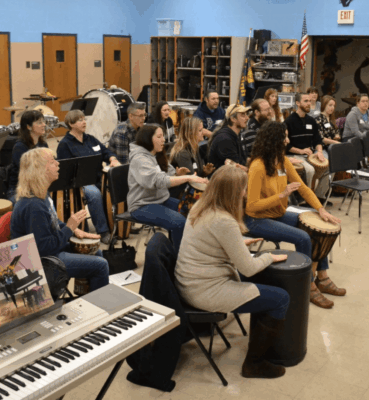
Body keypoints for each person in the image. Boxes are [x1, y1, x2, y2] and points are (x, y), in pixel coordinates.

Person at [175, 165, 290, 379]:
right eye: (243, 189)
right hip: (204, 291)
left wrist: (239, 242)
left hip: (189, 283)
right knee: (280, 299)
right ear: (234, 192)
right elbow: (248, 267)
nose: (246, 193)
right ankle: (254, 364)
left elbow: (210, 241)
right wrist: (269, 256)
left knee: (261, 279)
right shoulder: (223, 220)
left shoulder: (201, 205)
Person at [245, 121, 345, 309]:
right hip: (256, 220)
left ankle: (322, 276)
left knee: (316, 227)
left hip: (277, 214)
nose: (288, 140)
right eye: (285, 136)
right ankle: (308, 285)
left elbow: (303, 188)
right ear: (274, 140)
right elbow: (252, 205)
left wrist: (320, 209)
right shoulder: (258, 166)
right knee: (302, 237)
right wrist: (281, 195)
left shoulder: (282, 160)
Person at [10, 148, 109, 292]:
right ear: (40, 170)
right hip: (39, 262)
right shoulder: (34, 205)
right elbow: (44, 248)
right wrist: (69, 228)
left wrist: (75, 230)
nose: (58, 164)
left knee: (96, 253)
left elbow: (53, 222)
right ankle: (99, 310)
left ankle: (85, 298)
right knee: (101, 265)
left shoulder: (42, 194)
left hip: (47, 252)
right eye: (52, 162)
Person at [127, 124, 208, 253]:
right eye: (159, 137)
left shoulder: (156, 154)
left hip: (160, 199)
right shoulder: (140, 159)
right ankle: (179, 262)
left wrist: (177, 174)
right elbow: (157, 181)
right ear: (148, 139)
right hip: (142, 205)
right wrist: (187, 178)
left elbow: (167, 173)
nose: (163, 140)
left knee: (193, 212)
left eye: (163, 136)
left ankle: (189, 253)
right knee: (179, 222)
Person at [57, 110, 120, 244]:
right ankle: (103, 232)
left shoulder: (90, 139)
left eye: (84, 119)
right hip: (79, 182)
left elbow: (106, 151)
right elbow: (65, 170)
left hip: (98, 178)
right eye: (80, 120)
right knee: (94, 194)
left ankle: (119, 226)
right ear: (70, 124)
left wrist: (112, 158)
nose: (84, 122)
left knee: (116, 185)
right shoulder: (65, 144)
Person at [285, 92, 329, 201]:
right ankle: (306, 199)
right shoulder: (289, 121)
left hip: (310, 154)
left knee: (328, 166)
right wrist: (301, 151)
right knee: (310, 170)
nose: (309, 103)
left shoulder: (311, 120)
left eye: (309, 101)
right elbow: (286, 146)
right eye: (306, 101)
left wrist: (319, 151)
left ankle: (319, 196)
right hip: (295, 155)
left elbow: (317, 139)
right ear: (297, 103)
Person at [7, 110, 49, 204]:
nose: (44, 125)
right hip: (19, 189)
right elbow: (28, 173)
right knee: (40, 201)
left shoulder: (43, 144)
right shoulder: (20, 147)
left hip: (38, 186)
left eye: (43, 122)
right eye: (39, 123)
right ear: (29, 127)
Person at [208, 104, 249, 171]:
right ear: (233, 119)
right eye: (243, 115)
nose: (247, 118)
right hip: (223, 179)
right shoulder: (225, 139)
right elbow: (236, 168)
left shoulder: (238, 135)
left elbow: (243, 160)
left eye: (246, 114)